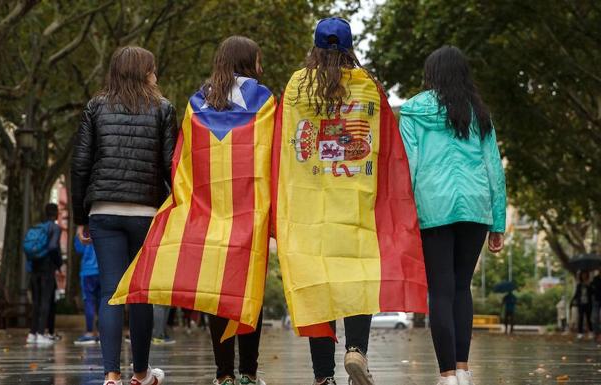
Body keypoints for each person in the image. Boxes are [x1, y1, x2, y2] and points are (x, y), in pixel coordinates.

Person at [108, 36, 275, 385]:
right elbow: (272, 155)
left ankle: (224, 374)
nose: (261, 67)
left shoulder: (198, 101)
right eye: (258, 60)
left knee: (218, 291)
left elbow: (182, 158)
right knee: (247, 290)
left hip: (209, 209)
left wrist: (186, 203)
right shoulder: (266, 100)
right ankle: (249, 372)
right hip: (250, 209)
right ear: (248, 62)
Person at [273, 18, 427, 385]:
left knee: (318, 292)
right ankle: (356, 349)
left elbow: (282, 143)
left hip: (310, 212)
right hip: (357, 208)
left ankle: (323, 377)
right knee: (358, 281)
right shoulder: (369, 87)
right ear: (349, 47)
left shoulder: (297, 85)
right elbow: (388, 148)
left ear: (314, 47)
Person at [399, 45, 507, 385]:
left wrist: (404, 215)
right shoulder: (479, 114)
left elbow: (409, 165)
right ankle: (463, 368)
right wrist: (498, 221)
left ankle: (447, 374)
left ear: (431, 74)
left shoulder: (414, 111)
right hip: (476, 206)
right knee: (463, 287)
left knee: (441, 290)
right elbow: (494, 168)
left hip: (433, 206)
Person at [72, 46, 177, 385]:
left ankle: (111, 375)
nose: (157, 75)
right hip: (146, 211)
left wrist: (80, 216)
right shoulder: (163, 109)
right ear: (145, 72)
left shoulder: (95, 107)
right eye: (154, 69)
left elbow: (81, 164)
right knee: (141, 292)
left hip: (104, 209)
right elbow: (170, 165)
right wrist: (175, 208)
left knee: (110, 292)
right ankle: (141, 373)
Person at [26, 203, 63, 345]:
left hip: (34, 268)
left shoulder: (37, 228)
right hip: (47, 269)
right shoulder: (55, 228)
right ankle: (41, 333)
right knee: (45, 301)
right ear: (56, 214)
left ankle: (32, 333)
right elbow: (53, 247)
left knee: (36, 302)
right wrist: (59, 264)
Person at [74, 235, 101, 346]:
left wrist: (78, 233)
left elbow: (78, 249)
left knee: (89, 301)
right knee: (102, 302)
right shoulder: (105, 228)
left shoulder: (84, 232)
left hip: (87, 272)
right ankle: (101, 333)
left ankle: (90, 332)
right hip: (102, 271)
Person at [572, 270, 593, 339]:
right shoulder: (579, 285)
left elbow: (593, 292)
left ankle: (590, 332)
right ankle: (580, 333)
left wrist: (589, 286)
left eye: (585, 274)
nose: (584, 276)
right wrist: (573, 301)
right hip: (581, 304)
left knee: (589, 318)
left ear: (587, 276)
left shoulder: (590, 284)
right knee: (580, 318)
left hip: (588, 303)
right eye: (582, 275)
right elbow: (576, 294)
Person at [591, 270, 601, 342]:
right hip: (596, 300)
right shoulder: (595, 278)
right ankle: (596, 334)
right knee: (595, 318)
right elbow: (592, 288)